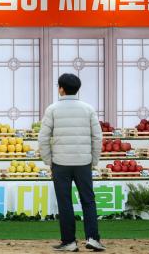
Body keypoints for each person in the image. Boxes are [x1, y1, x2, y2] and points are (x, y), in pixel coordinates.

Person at [39, 73, 106, 252]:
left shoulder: (52, 109)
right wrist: (94, 160)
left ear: (61, 88)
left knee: (65, 202)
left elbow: (43, 138)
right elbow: (97, 137)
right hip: (83, 162)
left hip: (60, 163)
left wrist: (48, 161)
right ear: (77, 89)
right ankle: (93, 238)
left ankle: (69, 241)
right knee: (88, 200)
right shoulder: (88, 109)